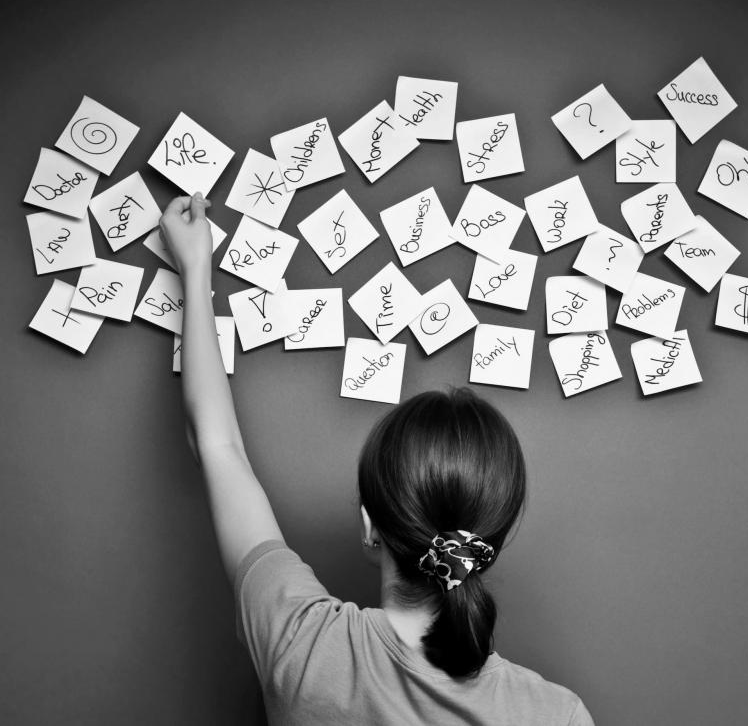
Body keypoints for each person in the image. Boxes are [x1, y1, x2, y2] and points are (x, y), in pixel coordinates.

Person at [159, 193, 594, 725]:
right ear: (489, 545)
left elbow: (217, 444)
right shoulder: (557, 716)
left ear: (370, 525)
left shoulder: (304, 646)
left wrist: (195, 265)